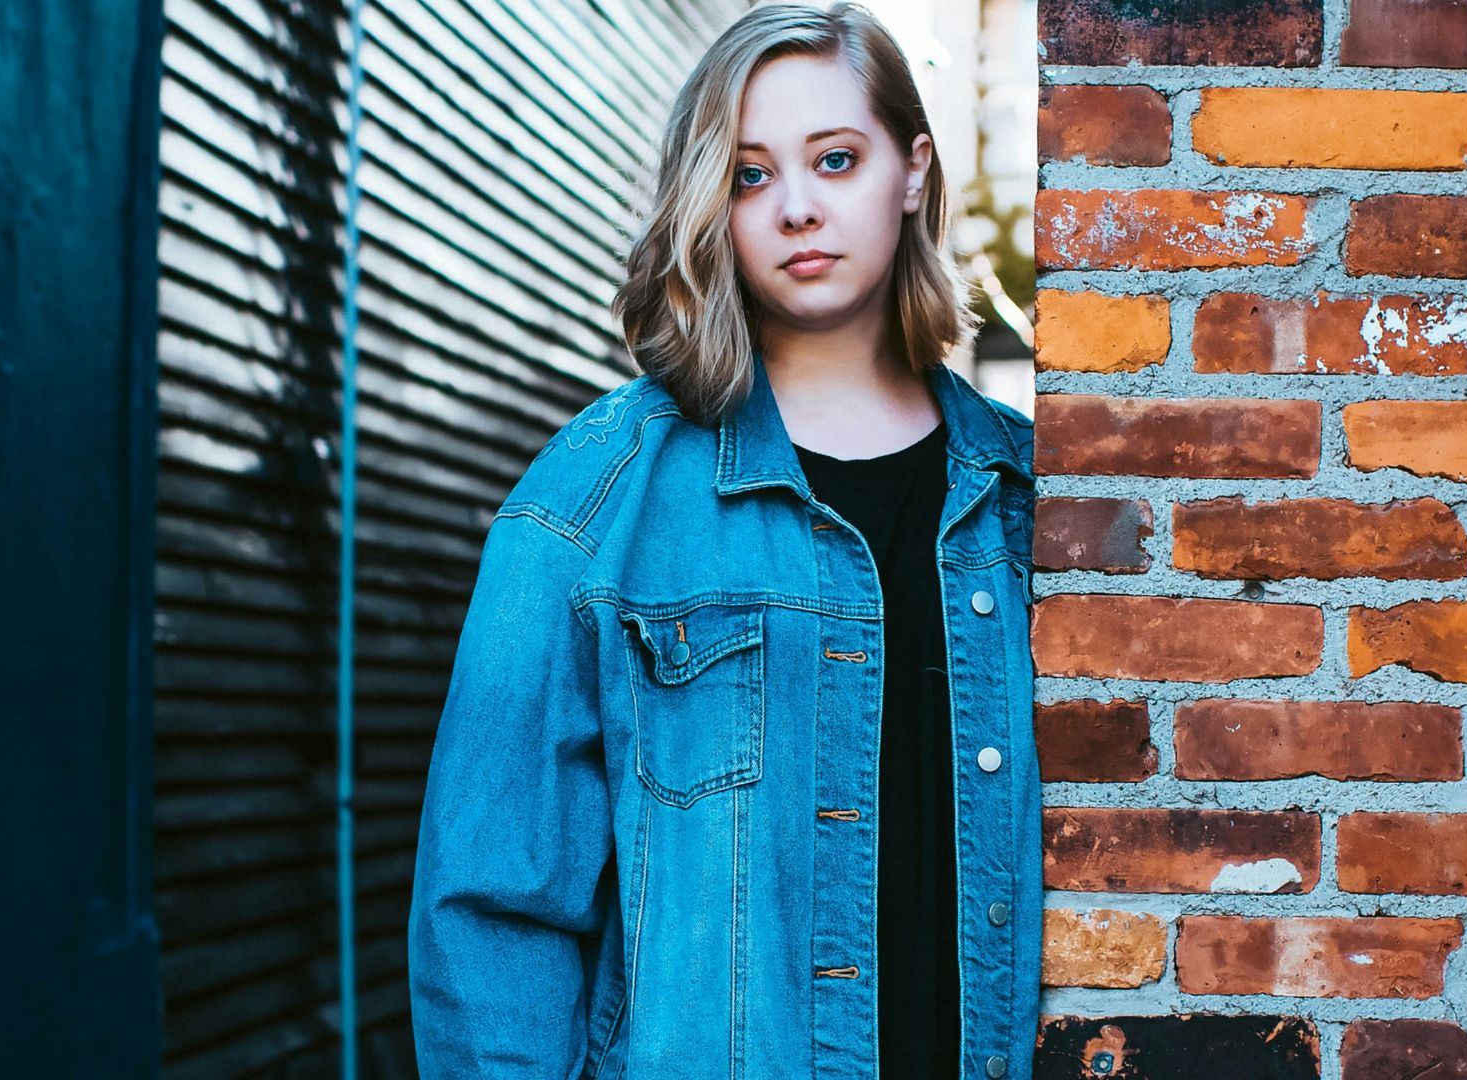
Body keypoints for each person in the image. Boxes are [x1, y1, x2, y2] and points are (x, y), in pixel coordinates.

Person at [407, 4, 1040, 1078]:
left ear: (914, 169)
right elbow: (491, 910)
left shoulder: (1032, 501)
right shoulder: (599, 498)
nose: (797, 207)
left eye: (836, 160)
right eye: (750, 175)